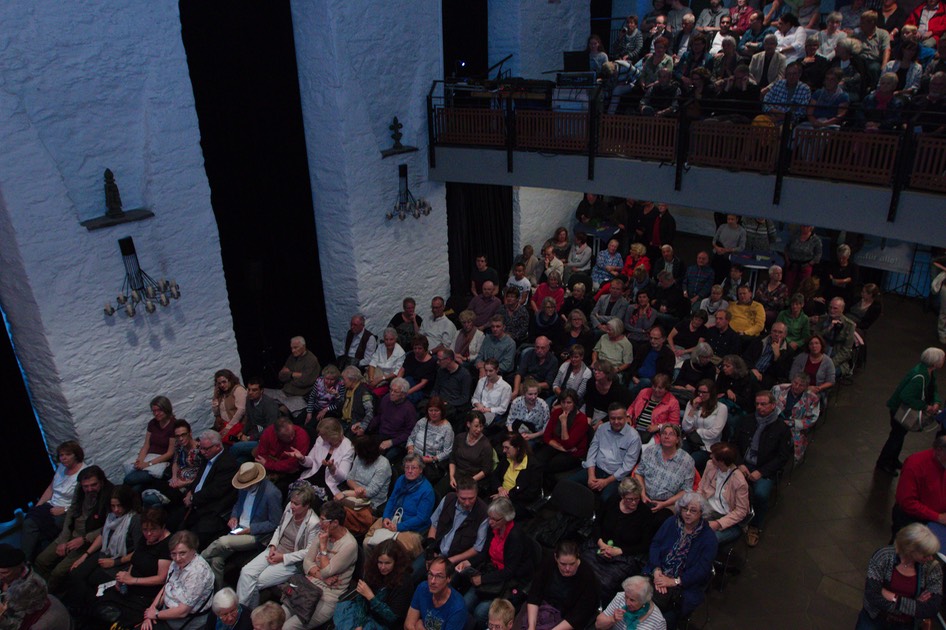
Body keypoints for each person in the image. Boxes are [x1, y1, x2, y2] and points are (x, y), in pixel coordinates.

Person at [453, 497, 533, 627]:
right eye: (489, 517)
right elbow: (485, 553)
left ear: (506, 518)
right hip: (491, 572)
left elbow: (509, 571)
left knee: (480, 613)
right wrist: (469, 562)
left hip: (507, 582)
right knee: (464, 604)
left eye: (494, 519)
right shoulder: (493, 528)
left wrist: (482, 579)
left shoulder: (515, 536)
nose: (490, 522)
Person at [200, 462, 282, 588]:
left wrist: (250, 529)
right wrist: (233, 516)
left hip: (255, 534)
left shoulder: (271, 494)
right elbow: (238, 505)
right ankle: (218, 593)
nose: (242, 488)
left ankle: (197, 561)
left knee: (223, 541)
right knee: (217, 560)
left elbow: (275, 523)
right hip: (238, 529)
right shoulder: (243, 489)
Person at [34, 465, 113, 593]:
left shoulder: (110, 494)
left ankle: (50, 595)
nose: (89, 489)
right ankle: (40, 589)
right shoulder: (80, 489)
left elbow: (110, 525)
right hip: (72, 532)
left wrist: (85, 539)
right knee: (41, 560)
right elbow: (72, 511)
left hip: (89, 539)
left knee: (58, 572)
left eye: (93, 485)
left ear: (101, 481)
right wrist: (63, 540)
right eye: (85, 486)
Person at [644, 493, 718, 628]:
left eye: (693, 510)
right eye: (685, 509)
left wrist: (674, 581)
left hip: (685, 585)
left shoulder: (709, 538)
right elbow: (655, 544)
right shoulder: (671, 522)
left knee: (661, 617)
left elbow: (702, 570)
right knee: (635, 598)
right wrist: (656, 569)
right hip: (658, 573)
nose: (688, 513)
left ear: (702, 513)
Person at [90, 507, 172, 628]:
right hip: (129, 587)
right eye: (145, 530)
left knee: (118, 620)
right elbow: (135, 560)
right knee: (98, 605)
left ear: (163, 526)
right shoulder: (145, 538)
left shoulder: (167, 545)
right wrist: (124, 579)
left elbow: (161, 578)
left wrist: (132, 580)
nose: (148, 533)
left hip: (145, 595)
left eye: (153, 530)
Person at [281, 501, 358, 629]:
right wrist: (320, 575)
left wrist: (322, 547)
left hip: (327, 596)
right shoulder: (322, 533)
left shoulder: (349, 545)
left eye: (323, 520)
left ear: (334, 523)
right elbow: (306, 562)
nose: (319, 523)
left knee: (287, 627)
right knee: (277, 618)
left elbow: (327, 571)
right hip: (307, 588)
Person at [581, 477, 658, 605]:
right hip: (600, 546)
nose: (634, 503)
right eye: (630, 499)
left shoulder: (644, 514)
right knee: (581, 567)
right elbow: (597, 524)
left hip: (624, 556)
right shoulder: (612, 501)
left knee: (604, 582)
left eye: (637, 499)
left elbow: (645, 545)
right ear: (622, 496)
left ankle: (593, 605)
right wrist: (601, 543)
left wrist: (619, 551)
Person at [857, 523, 943, 630]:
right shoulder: (883, 557)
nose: (930, 558)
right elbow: (872, 595)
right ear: (911, 550)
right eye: (926, 554)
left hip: (906, 625)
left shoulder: (932, 568)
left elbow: (931, 608)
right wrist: (915, 605)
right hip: (874, 619)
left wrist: (894, 598)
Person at [65, 484, 140, 605]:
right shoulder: (111, 516)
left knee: (92, 580)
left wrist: (115, 562)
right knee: (75, 574)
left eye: (119, 506)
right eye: (113, 506)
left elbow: (139, 551)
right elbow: (102, 535)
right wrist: (85, 555)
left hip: (122, 560)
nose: (116, 509)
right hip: (106, 553)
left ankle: (87, 609)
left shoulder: (135, 520)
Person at [735, 391, 792, 547]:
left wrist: (762, 472)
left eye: (763, 404)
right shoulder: (747, 420)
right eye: (757, 404)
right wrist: (740, 463)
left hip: (764, 467)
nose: (759, 407)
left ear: (773, 405)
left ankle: (755, 526)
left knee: (760, 494)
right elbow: (734, 444)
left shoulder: (781, 428)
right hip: (744, 463)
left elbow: (782, 457)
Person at [876, 347, 944, 476]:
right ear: (935, 362)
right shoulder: (920, 376)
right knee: (896, 437)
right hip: (899, 410)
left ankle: (893, 460)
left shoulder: (929, 371)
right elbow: (906, 396)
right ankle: (883, 462)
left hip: (902, 410)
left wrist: (936, 401)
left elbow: (933, 389)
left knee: (899, 436)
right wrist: (925, 406)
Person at [19, 440, 87, 562]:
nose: (64, 458)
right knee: (30, 520)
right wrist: (38, 505)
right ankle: (25, 560)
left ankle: (27, 561)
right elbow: (51, 487)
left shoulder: (83, 473)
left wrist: (64, 509)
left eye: (67, 455)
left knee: (38, 528)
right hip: (51, 504)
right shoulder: (61, 467)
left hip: (67, 509)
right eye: (61, 455)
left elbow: (84, 500)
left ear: (76, 455)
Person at [139, 530, 214, 629]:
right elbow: (167, 587)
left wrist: (156, 614)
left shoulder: (198, 572)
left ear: (193, 550)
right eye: (173, 554)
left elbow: (182, 611)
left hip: (185, 622)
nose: (177, 558)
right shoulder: (177, 563)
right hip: (165, 613)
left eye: (182, 553)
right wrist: (152, 609)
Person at [418, 477, 488, 583]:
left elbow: (477, 548)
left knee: (438, 585)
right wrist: (431, 550)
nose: (467, 503)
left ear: (477, 493)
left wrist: (451, 560)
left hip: (456, 560)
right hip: (437, 551)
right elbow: (434, 524)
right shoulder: (448, 499)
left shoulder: (483, 513)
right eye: (463, 498)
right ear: (456, 493)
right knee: (412, 574)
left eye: (471, 498)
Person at [333, 539, 414, 630]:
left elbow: (392, 618)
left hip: (383, 623)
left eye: (387, 563)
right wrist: (359, 625)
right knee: (344, 611)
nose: (382, 567)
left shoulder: (404, 582)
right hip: (366, 614)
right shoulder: (372, 571)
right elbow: (361, 600)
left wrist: (371, 597)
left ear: (396, 562)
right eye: (380, 562)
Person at [178, 430, 239, 550]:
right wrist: (191, 490)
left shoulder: (227, 464)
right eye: (201, 448)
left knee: (192, 540)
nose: (202, 452)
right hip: (197, 504)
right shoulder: (207, 457)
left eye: (206, 449)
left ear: (217, 446)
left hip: (213, 510)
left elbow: (215, 491)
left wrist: (192, 498)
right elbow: (199, 478)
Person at [520, 539, 599, 630]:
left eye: (572, 564)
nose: (567, 569)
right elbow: (534, 594)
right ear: (556, 558)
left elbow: (578, 617)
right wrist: (531, 626)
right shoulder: (549, 561)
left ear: (578, 557)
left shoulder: (587, 577)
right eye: (563, 564)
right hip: (540, 607)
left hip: (565, 619)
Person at [575, 403, 644, 504]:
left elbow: (627, 467)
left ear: (626, 417)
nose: (616, 422)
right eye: (612, 418)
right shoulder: (602, 428)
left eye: (620, 418)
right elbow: (592, 452)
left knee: (605, 500)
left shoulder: (634, 437)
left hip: (615, 477)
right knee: (569, 483)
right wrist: (591, 476)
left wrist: (605, 482)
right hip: (596, 470)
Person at [369, 454, 436, 545]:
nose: (409, 471)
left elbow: (421, 518)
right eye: (407, 467)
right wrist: (386, 517)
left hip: (411, 528)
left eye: (413, 468)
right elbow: (392, 500)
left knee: (388, 549)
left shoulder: (427, 491)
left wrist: (398, 526)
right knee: (367, 541)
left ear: (420, 470)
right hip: (393, 518)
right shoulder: (401, 479)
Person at [291, 417, 355, 506]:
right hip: (311, 477)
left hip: (328, 485)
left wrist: (332, 469)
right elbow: (311, 462)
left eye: (322, 435)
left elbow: (342, 478)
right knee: (294, 497)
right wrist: (302, 458)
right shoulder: (320, 440)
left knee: (310, 503)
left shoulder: (348, 448)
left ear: (331, 435)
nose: (318, 436)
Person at [334, 436, 392, 534]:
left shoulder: (383, 465)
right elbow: (349, 478)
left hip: (371, 503)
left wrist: (346, 493)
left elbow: (369, 493)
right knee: (333, 508)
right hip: (355, 494)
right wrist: (357, 488)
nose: (356, 454)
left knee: (338, 512)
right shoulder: (359, 457)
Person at [893, 434, 946, 536]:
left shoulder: (943, 462)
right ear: (939, 450)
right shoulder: (914, 465)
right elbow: (907, 502)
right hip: (912, 520)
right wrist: (938, 517)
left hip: (936, 518)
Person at [123, 395, 177, 494]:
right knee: (136, 488)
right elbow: (146, 445)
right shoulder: (152, 423)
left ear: (166, 409)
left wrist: (148, 464)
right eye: (154, 411)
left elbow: (170, 453)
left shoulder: (173, 425)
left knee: (129, 479)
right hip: (149, 457)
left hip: (161, 461)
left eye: (159, 410)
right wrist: (140, 461)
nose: (156, 414)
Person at [535, 389, 592, 482]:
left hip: (574, 454)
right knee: (537, 459)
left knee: (549, 465)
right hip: (558, 446)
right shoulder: (557, 412)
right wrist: (561, 448)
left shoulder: (582, 419)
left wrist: (564, 422)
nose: (565, 405)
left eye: (569, 402)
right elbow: (546, 436)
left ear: (574, 403)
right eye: (563, 402)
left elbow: (568, 444)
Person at [362, 377, 417, 463]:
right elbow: (379, 416)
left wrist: (392, 442)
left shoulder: (409, 409)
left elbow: (410, 433)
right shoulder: (386, 399)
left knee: (383, 460)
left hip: (397, 441)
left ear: (403, 394)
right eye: (391, 390)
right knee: (363, 448)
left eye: (396, 392)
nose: (392, 393)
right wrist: (363, 426)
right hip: (381, 435)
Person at [405, 556, 467, 630]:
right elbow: (408, 625)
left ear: (449, 578)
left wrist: (420, 627)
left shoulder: (458, 608)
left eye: (439, 576)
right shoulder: (423, 588)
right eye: (430, 574)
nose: (432, 581)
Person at [442, 413, 494, 496]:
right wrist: (451, 476)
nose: (479, 429)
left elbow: (486, 470)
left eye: (481, 426)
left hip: (472, 478)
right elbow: (452, 459)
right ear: (468, 424)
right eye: (476, 426)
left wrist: (470, 481)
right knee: (439, 492)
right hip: (456, 473)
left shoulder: (486, 445)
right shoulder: (459, 437)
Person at [772, 374, 822, 462]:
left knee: (783, 445)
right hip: (774, 421)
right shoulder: (778, 389)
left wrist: (793, 423)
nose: (797, 387)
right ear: (792, 381)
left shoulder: (813, 398)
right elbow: (768, 405)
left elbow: (812, 419)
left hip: (795, 427)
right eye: (795, 383)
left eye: (801, 385)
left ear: (806, 387)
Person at [681, 379, 728, 473]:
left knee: (690, 462)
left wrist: (696, 431)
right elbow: (686, 427)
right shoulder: (692, 404)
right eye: (699, 392)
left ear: (711, 393)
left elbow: (714, 432)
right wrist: (693, 408)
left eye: (704, 392)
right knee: (678, 457)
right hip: (691, 441)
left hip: (708, 446)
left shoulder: (721, 408)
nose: (700, 395)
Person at [406, 396, 455, 484]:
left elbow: (447, 452)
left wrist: (431, 459)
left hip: (429, 463)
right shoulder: (422, 422)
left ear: (442, 411)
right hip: (414, 457)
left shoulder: (447, 429)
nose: (433, 413)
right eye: (430, 410)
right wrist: (410, 451)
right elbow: (411, 438)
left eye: (436, 410)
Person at [490, 432, 542, 514]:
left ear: (518, 447)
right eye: (503, 447)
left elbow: (531, 493)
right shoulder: (507, 458)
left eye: (507, 448)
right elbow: (494, 475)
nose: (504, 451)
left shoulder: (533, 466)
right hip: (499, 494)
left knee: (495, 514)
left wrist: (507, 496)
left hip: (517, 502)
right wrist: (500, 488)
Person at [255, 416, 310, 492]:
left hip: (287, 473)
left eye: (292, 434)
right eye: (287, 437)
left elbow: (292, 465)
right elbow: (260, 455)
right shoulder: (268, 432)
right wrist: (270, 464)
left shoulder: (302, 436)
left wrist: (268, 464)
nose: (291, 438)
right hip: (271, 467)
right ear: (277, 435)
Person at [0, 570, 70, 630]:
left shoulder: (41, 625)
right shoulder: (42, 596)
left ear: (29, 607)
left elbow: (19, 626)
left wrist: (3, 621)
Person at [235, 378, 280, 465]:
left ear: (262, 391)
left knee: (235, 448)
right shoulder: (249, 400)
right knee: (238, 459)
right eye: (249, 389)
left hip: (267, 438)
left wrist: (249, 438)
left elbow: (270, 429)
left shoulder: (269, 405)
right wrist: (243, 432)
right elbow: (249, 419)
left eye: (254, 390)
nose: (250, 392)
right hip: (255, 433)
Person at [596, 575, 667, 630]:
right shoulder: (620, 597)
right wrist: (612, 619)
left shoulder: (658, 621)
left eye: (632, 600)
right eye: (626, 596)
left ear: (644, 600)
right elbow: (598, 624)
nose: (627, 602)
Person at [270, 336, 321, 413]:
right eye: (291, 348)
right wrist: (294, 375)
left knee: (281, 411)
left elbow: (304, 382)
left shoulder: (311, 360)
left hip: (299, 396)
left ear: (303, 346)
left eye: (295, 348)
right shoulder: (292, 357)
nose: (293, 350)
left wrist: (289, 374)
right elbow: (281, 376)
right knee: (261, 396)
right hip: (284, 391)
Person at [629, 374, 682, 445]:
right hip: (635, 428)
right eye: (654, 386)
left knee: (641, 449)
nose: (656, 389)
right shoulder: (644, 392)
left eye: (660, 388)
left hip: (654, 435)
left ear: (666, 389)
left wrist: (658, 426)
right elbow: (632, 407)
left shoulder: (673, 402)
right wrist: (628, 416)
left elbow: (674, 424)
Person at [743, 321, 793, 388]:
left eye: (780, 332)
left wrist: (777, 356)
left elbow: (781, 374)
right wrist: (752, 368)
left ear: (785, 335)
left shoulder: (788, 351)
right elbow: (746, 357)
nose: (777, 334)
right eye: (774, 331)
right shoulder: (760, 340)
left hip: (767, 378)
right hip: (750, 370)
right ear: (771, 332)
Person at [584, 360, 633, 426]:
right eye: (595, 370)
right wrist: (588, 418)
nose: (596, 372)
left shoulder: (617, 389)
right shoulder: (591, 382)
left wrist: (601, 422)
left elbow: (615, 410)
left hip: (606, 414)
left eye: (599, 371)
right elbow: (589, 401)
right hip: (591, 409)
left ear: (607, 373)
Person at [789, 334, 836, 399]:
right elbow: (792, 376)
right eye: (811, 344)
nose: (814, 346)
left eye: (817, 343)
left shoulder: (828, 361)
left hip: (816, 391)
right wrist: (804, 387)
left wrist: (819, 388)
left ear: (821, 345)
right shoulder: (801, 358)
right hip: (798, 389)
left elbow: (831, 381)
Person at [432, 349, 473, 422]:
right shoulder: (441, 371)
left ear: (448, 359)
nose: (438, 362)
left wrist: (448, 403)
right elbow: (436, 389)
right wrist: (434, 400)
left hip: (453, 405)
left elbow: (464, 398)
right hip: (440, 402)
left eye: (440, 360)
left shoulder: (464, 375)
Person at [303, 365, 345, 437]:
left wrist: (336, 395)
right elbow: (312, 397)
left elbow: (341, 403)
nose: (328, 382)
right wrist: (309, 412)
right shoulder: (319, 381)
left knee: (311, 426)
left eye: (332, 380)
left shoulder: (340, 384)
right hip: (316, 407)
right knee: (301, 420)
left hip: (330, 410)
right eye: (327, 379)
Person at [471, 358, 512, 427]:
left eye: (490, 371)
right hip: (478, 410)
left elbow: (502, 409)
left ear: (497, 370)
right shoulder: (481, 381)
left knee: (477, 424)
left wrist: (487, 409)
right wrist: (478, 404)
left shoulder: (506, 387)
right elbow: (474, 398)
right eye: (486, 370)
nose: (487, 374)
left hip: (492, 413)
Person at [212, 369, 247, 447]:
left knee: (225, 441)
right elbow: (216, 412)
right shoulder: (222, 394)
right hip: (225, 424)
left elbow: (241, 410)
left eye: (224, 382)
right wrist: (215, 396)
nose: (222, 385)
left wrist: (229, 427)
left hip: (237, 424)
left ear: (230, 380)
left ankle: (239, 442)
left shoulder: (238, 390)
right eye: (219, 383)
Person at [594, 318, 636, 384]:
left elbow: (627, 363)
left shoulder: (626, 344)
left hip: (612, 369)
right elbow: (595, 351)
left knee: (606, 378)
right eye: (607, 329)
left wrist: (616, 370)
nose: (607, 331)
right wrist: (594, 362)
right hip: (599, 365)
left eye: (609, 330)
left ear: (617, 331)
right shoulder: (604, 337)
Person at [367, 327, 407, 397]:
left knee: (373, 394)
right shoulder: (380, 347)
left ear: (395, 339)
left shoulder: (400, 352)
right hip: (376, 374)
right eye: (386, 339)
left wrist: (381, 378)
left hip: (388, 379)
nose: (388, 342)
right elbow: (372, 363)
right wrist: (371, 379)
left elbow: (396, 372)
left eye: (391, 339)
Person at [336, 366, 374, 435]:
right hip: (344, 421)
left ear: (352, 380)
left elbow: (370, 412)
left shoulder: (364, 392)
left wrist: (363, 427)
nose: (342, 382)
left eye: (344, 379)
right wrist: (337, 397)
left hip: (355, 424)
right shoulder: (347, 390)